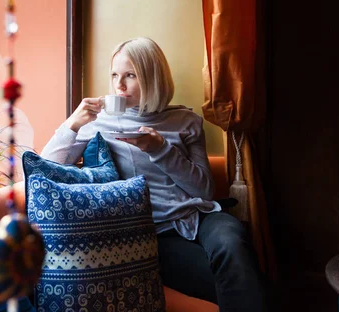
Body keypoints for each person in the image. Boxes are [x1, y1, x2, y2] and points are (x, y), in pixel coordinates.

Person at [40, 37, 267, 311]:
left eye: (130, 75)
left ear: (152, 77)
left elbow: (203, 189)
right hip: (152, 230)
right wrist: (72, 124)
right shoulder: (98, 123)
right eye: (114, 75)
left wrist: (160, 149)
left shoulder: (186, 121)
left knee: (232, 244)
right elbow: (45, 171)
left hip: (200, 216)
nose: (118, 85)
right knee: (225, 277)